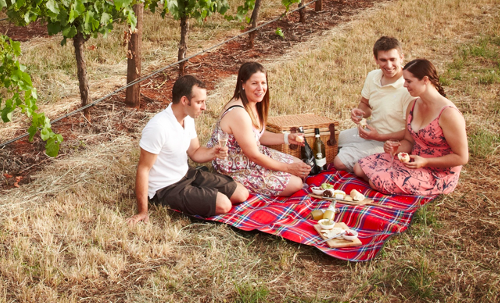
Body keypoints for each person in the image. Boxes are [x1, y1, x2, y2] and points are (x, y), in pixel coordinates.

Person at [128, 75, 248, 223]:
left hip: (186, 174)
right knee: (224, 205)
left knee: (241, 193)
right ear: (184, 100)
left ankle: (202, 193)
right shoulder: (158, 127)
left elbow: (195, 152)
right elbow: (143, 169)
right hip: (166, 187)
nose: (204, 107)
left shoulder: (188, 118)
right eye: (199, 102)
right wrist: (143, 212)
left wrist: (213, 153)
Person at [354, 59, 468, 196]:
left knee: (375, 181)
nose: (404, 85)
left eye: (408, 81)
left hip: (437, 171)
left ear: (425, 80)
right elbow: (409, 141)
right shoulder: (413, 105)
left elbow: (462, 157)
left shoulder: (449, 114)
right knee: (358, 168)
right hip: (413, 160)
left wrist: (426, 162)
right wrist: (396, 147)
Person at [208, 62, 312, 197]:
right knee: (296, 183)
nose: (260, 88)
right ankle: (233, 183)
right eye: (254, 83)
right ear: (242, 84)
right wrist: (288, 168)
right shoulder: (239, 113)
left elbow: (257, 136)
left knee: (301, 166)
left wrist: (286, 138)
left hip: (251, 155)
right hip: (236, 166)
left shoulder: (253, 103)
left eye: (263, 83)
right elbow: (254, 155)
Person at [331, 36, 413, 172]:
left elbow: (411, 133)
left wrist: (378, 137)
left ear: (401, 58)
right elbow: (365, 104)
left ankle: (357, 155)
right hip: (370, 131)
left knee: (339, 162)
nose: (388, 65)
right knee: (330, 142)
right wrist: (359, 113)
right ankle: (354, 151)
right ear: (375, 59)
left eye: (392, 59)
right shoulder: (373, 76)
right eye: (383, 60)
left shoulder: (408, 87)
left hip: (389, 141)